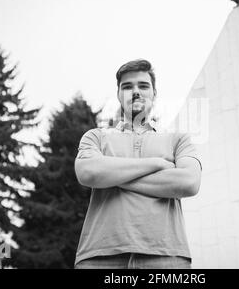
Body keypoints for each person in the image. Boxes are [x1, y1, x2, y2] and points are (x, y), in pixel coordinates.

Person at [73, 59, 202, 269]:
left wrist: (111, 176)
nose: (135, 92)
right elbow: (87, 173)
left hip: (166, 256)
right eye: (127, 87)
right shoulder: (95, 137)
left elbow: (189, 182)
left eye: (143, 86)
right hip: (99, 256)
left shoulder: (178, 139)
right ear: (118, 95)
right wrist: (158, 163)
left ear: (154, 94)